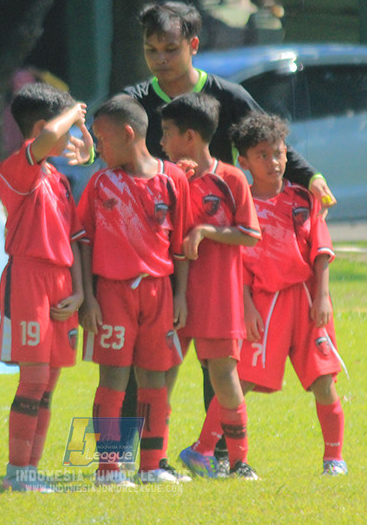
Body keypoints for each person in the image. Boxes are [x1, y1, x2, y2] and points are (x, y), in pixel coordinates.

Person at [121, 0, 336, 473]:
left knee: (216, 362)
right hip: (156, 253)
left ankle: (216, 455)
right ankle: (121, 460)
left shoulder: (229, 96)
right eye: (151, 49)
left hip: (216, 259)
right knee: (147, 360)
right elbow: (114, 151)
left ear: (193, 46)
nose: (159, 59)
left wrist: (311, 176)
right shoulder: (136, 100)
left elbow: (268, 144)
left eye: (170, 49)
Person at [77, 94, 190, 486]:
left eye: (101, 139)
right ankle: (108, 469)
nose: (98, 147)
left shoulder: (173, 179)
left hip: (158, 293)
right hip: (112, 295)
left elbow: (180, 247)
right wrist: (88, 298)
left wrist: (180, 296)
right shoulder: (100, 183)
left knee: (154, 380)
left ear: (128, 134)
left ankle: (151, 465)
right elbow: (83, 242)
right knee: (113, 380)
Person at [230, 112, 348, 476]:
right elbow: (239, 264)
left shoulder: (301, 199)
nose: (274, 162)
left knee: (323, 379)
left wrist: (323, 296)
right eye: (263, 155)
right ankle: (205, 449)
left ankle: (334, 458)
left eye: (279, 153)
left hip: (305, 300)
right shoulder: (241, 205)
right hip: (264, 303)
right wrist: (247, 306)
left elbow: (320, 250)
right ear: (244, 162)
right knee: (240, 379)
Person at [159, 93, 262, 480]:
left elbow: (250, 234)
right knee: (164, 374)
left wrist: (207, 230)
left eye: (167, 133)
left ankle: (238, 463)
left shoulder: (231, 178)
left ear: (189, 136)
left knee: (224, 376)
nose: (162, 142)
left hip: (219, 297)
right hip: (175, 296)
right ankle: (156, 461)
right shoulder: (170, 177)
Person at [0, 83, 93, 492]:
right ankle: (17, 472)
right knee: (33, 379)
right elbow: (51, 137)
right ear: (42, 127)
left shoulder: (59, 180)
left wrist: (79, 290)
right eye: (67, 127)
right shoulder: (18, 169)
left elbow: (73, 240)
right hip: (29, 279)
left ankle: (31, 470)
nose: (69, 136)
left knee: (50, 382)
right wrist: (74, 111)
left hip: (60, 282)